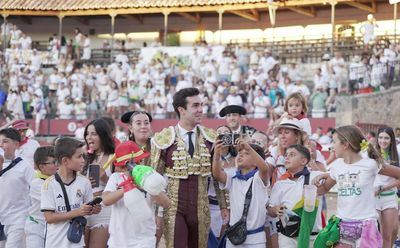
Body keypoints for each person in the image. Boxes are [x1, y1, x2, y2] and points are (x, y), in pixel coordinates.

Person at [151, 87, 223, 248]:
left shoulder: (211, 137)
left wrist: (225, 206)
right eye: (195, 106)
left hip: (201, 207)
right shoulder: (164, 138)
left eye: (201, 105)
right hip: (174, 207)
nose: (200, 110)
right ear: (181, 110)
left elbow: (217, 176)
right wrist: (156, 213)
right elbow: (154, 180)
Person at [313, 125, 400, 247]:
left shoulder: (370, 164)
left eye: (334, 141)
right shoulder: (336, 166)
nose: (331, 147)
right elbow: (324, 189)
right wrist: (315, 181)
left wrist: (385, 187)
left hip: (366, 227)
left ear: (345, 144)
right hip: (342, 225)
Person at [103, 141, 171, 248]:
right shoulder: (116, 177)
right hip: (118, 240)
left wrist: (147, 184)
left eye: (139, 162)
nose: (136, 166)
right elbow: (106, 200)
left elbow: (166, 203)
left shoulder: (148, 175)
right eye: (130, 165)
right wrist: (127, 186)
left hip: (144, 240)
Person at [41, 137, 101, 248]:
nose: (83, 160)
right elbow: (49, 218)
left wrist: (94, 210)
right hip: (55, 243)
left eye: (83, 156)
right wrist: (77, 212)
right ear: (65, 161)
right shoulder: (49, 184)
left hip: (77, 242)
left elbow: (86, 211)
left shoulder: (85, 182)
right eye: (79, 156)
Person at [212, 139, 269, 247]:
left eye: (246, 153)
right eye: (240, 153)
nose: (240, 156)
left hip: (256, 238)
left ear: (256, 161)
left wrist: (249, 147)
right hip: (234, 236)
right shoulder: (233, 177)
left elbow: (265, 169)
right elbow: (217, 174)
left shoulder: (259, 178)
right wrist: (216, 156)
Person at [268, 144, 323, 247]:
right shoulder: (280, 184)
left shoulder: (314, 177)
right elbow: (270, 211)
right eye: (286, 155)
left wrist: (323, 174)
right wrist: (275, 209)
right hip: (288, 237)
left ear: (303, 161)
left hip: (311, 237)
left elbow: (333, 176)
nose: (287, 157)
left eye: (292, 155)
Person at [83, 118, 115, 248]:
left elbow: (120, 188)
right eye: (87, 134)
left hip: (104, 212)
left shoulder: (114, 157)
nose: (89, 137)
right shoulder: (83, 157)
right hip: (83, 211)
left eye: (93, 134)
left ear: (103, 135)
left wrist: (105, 178)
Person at [0, 128, 34, 248]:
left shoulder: (24, 166)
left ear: (16, 144)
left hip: (18, 218)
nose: (1, 145)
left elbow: (35, 189)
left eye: (5, 141)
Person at [25, 146, 57, 248]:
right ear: (42, 167)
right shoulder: (36, 183)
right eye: (53, 162)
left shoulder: (57, 179)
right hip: (36, 226)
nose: (57, 165)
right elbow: (55, 202)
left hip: (53, 227)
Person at [374, 127, 400, 248]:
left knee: (388, 235)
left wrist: (384, 188)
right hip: (373, 199)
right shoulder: (370, 154)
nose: (383, 141)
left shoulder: (396, 155)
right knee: (373, 233)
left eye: (386, 138)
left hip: (389, 198)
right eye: (380, 137)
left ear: (391, 140)